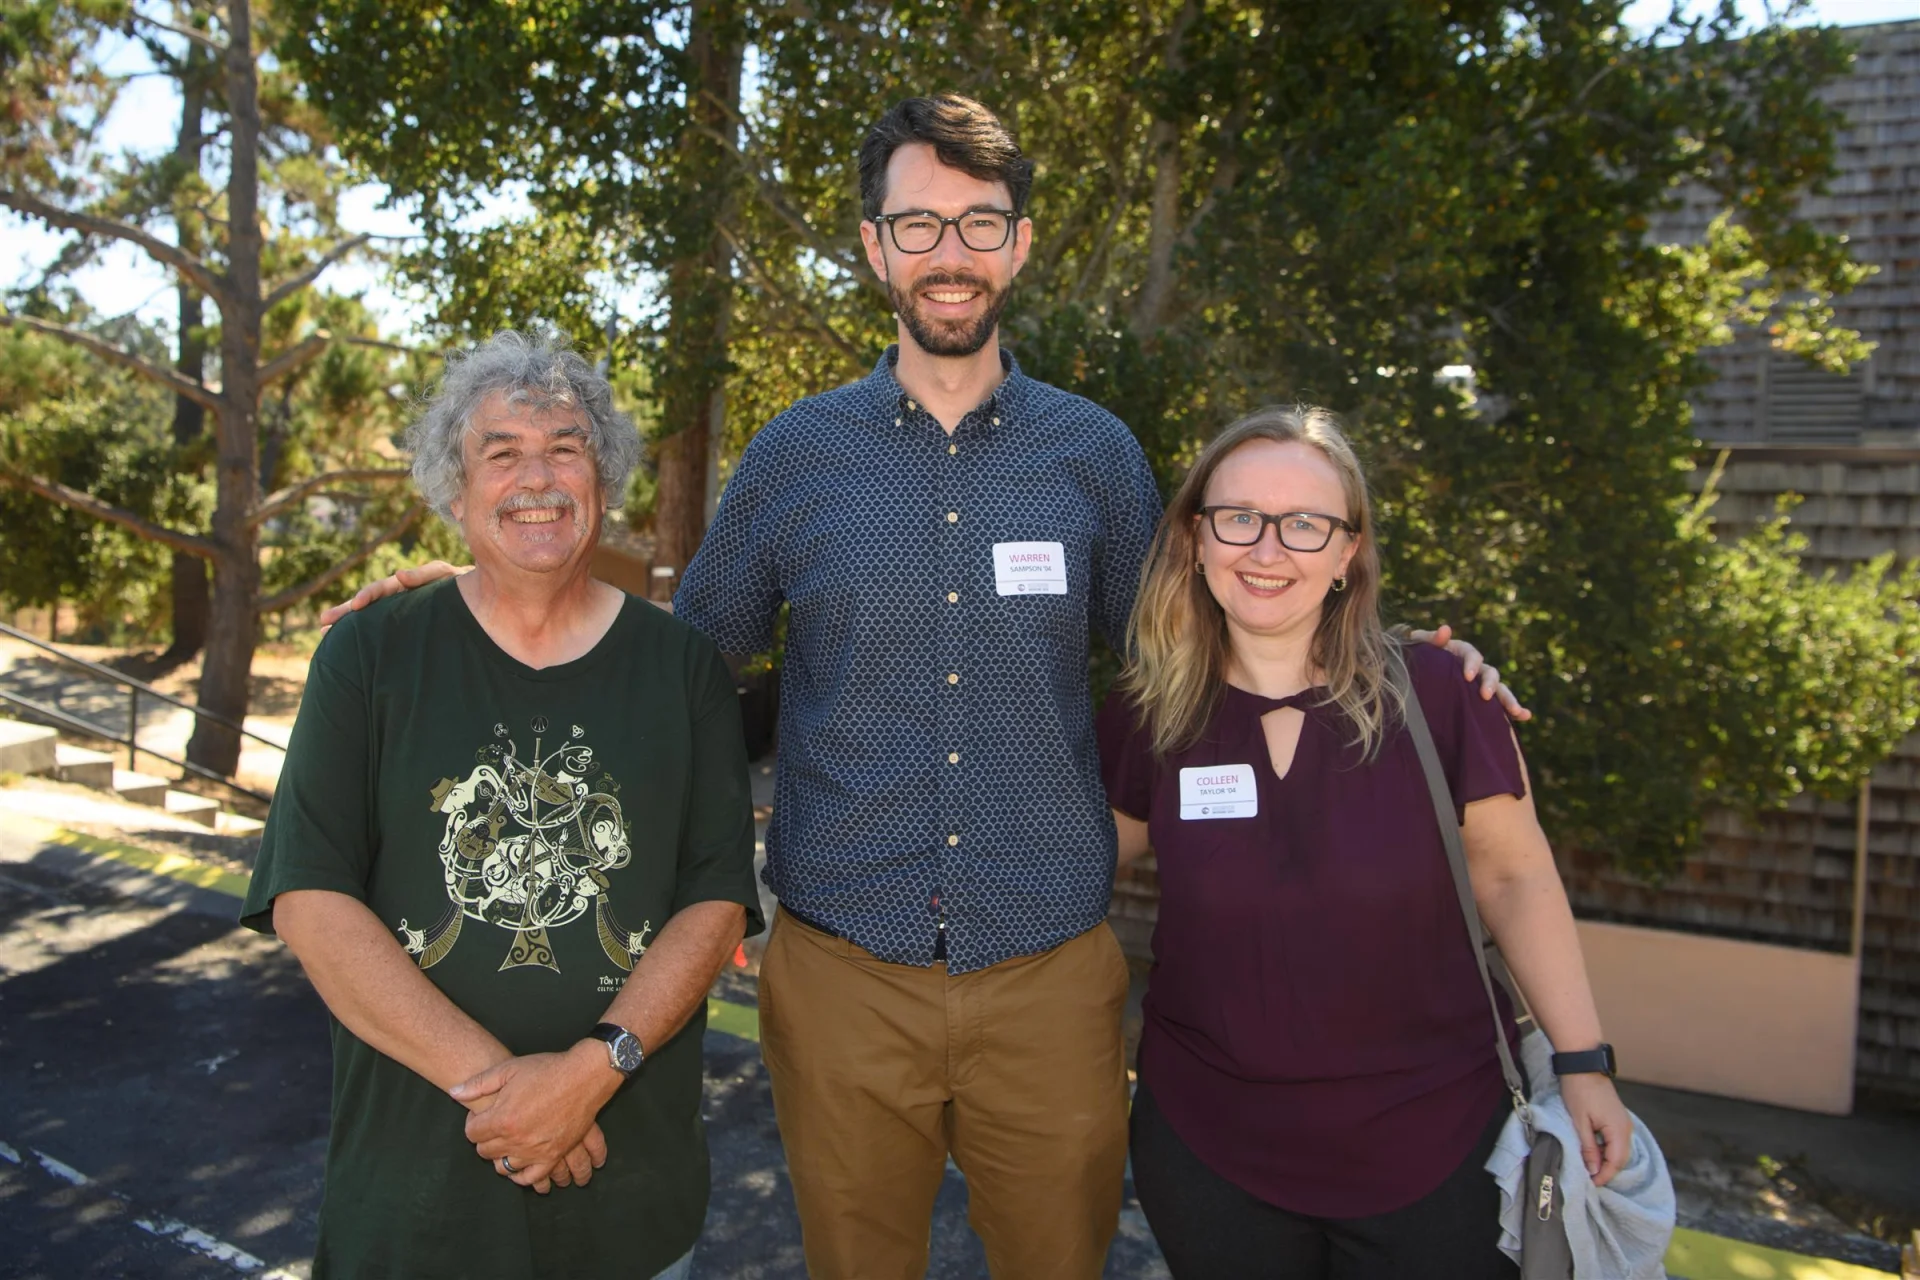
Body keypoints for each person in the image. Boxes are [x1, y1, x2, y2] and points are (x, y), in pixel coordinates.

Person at [321, 97, 1519, 1278]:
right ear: (874, 245)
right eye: (920, 224)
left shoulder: (1095, 455)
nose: (950, 254)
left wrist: (1404, 648)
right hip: (843, 976)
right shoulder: (797, 456)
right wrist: (493, 588)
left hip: (1050, 973)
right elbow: (678, 660)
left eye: (979, 223)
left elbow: (1214, 633)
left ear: (1020, 242)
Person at [241, 331, 762, 1280]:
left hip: (630, 1204)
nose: (538, 476)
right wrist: (513, 1098)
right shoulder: (368, 657)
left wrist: (589, 1074)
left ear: (604, 483)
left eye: (566, 448)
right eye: (502, 451)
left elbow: (715, 896)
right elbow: (309, 900)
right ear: (453, 489)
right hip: (413, 1207)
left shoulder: (680, 668)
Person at [1096, 406, 1630, 1280]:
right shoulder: (1147, 714)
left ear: (1349, 553)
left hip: (1437, 1152)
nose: (1269, 551)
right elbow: (1074, 867)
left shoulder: (1441, 696)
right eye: (1241, 518)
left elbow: (1517, 878)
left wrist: (1584, 1065)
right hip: (1210, 1154)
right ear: (1197, 537)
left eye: (1307, 525)